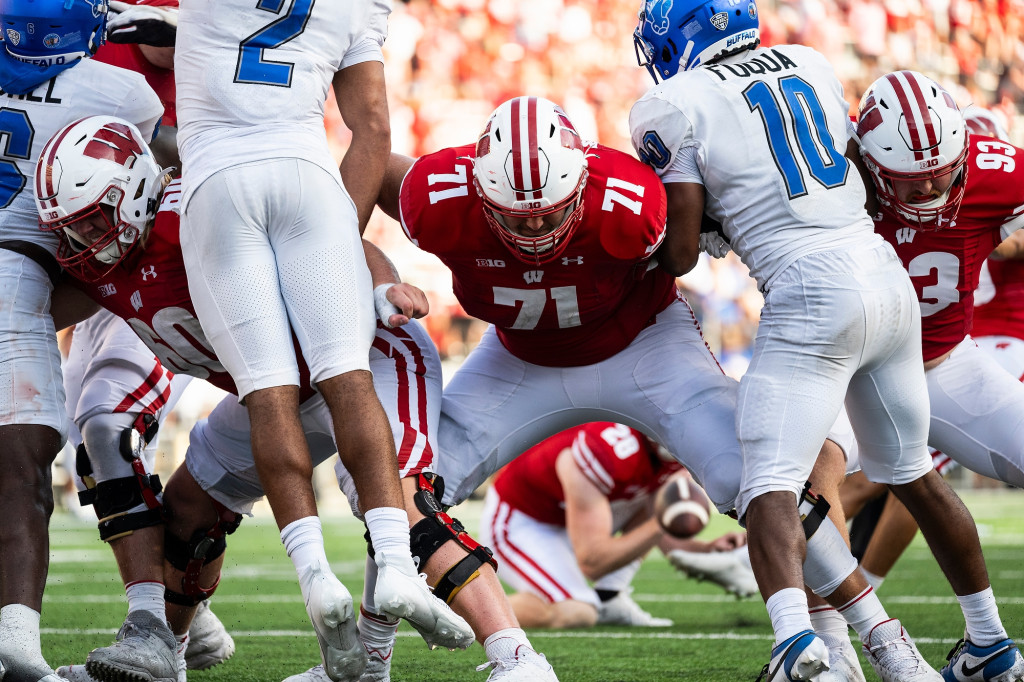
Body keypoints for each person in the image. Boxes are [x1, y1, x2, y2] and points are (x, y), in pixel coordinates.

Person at [378, 94, 914, 681]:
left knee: (757, 480)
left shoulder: (628, 202)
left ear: (581, 184)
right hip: (517, 358)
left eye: (551, 213)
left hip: (644, 346)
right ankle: (443, 661)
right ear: (479, 192)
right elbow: (373, 168)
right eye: (514, 217)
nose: (534, 227)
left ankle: (888, 643)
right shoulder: (435, 194)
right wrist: (377, 274)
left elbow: (692, 241)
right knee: (392, 491)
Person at [34, 115, 547, 682]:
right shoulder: (101, 262)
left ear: (134, 193)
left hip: (363, 357)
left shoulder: (198, 210)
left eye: (93, 222)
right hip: (274, 394)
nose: (82, 243)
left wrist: (381, 287)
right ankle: (163, 656)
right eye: (71, 230)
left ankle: (518, 659)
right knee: (186, 511)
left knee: (404, 510)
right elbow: (33, 309)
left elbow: (334, 240)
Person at [630, 6, 1022, 682]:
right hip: (885, 280)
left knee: (768, 485)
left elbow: (683, 254)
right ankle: (988, 641)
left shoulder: (669, 101)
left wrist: (676, 231)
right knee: (913, 477)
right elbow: (843, 180)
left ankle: (800, 645)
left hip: (813, 292)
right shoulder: (809, 63)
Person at [174, 1, 471, 677]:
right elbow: (371, 129)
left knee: (269, 395)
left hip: (220, 177)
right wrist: (340, 233)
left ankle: (315, 577)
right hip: (309, 174)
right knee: (348, 377)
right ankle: (395, 562)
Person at [0, 0, 163, 677]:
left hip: (24, 278)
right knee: (20, 472)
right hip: (20, 280)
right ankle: (17, 644)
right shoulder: (120, 91)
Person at [852, 71, 1024, 681]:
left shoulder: (993, 166)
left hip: (947, 362)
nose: (929, 184)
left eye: (942, 169)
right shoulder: (829, 179)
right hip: (847, 377)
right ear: (867, 160)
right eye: (908, 174)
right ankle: (836, 646)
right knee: (788, 498)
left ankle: (987, 646)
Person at [479, 422, 755, 630]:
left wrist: (706, 549)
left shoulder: (670, 452)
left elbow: (662, 532)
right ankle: (464, 611)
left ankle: (610, 594)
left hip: (571, 517)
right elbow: (594, 561)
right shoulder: (610, 450)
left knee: (660, 498)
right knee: (576, 611)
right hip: (522, 520)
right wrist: (663, 520)